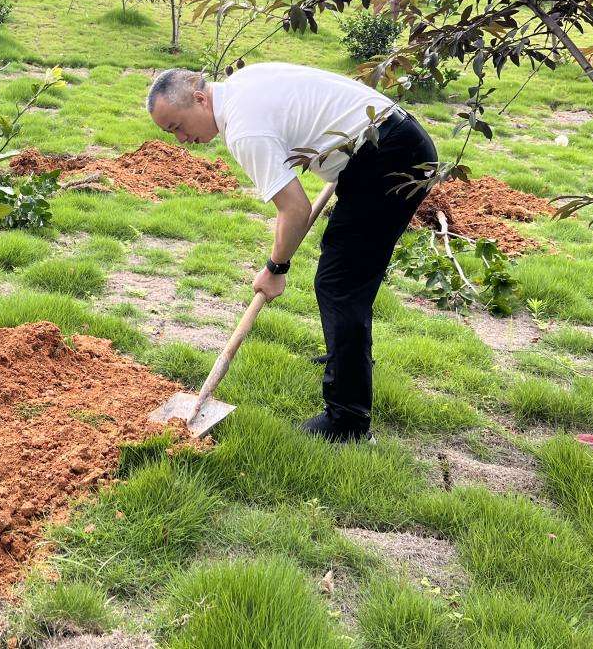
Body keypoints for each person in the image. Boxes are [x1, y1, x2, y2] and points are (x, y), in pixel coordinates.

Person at [146, 62, 436, 443]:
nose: (181, 139)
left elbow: (294, 208)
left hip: (389, 155)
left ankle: (347, 421)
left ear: (200, 99)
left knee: (339, 284)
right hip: (388, 138)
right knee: (346, 270)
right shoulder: (240, 85)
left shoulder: (244, 129)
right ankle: (345, 360)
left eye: (177, 127)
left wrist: (276, 267)